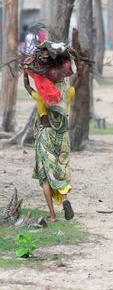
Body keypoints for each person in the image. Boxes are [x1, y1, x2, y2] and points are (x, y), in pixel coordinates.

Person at [23, 41, 83, 222]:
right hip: (62, 135)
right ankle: (64, 198)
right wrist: (77, 57)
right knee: (61, 169)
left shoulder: (41, 95)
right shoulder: (67, 93)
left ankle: (52, 215)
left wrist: (26, 71)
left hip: (45, 135)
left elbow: (27, 86)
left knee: (45, 176)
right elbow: (80, 76)